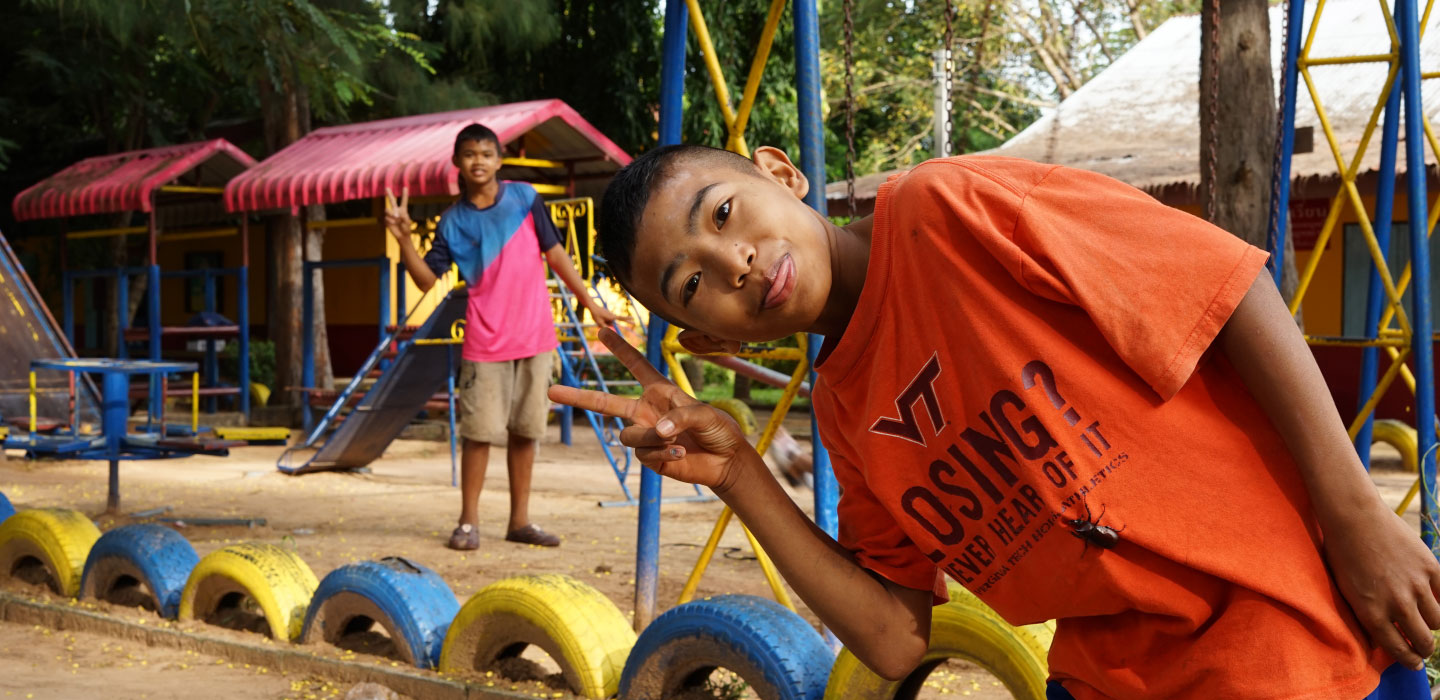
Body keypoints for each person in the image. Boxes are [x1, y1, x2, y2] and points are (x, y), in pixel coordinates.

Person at [550, 144, 1440, 699]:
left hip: (1288, 646)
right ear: (704, 334)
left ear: (782, 174)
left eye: (724, 214)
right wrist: (739, 472)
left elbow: (1223, 283)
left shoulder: (949, 210)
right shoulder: (846, 414)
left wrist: (1356, 511)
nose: (732, 261)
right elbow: (895, 639)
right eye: (692, 283)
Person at [386, 123, 619, 551]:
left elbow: (556, 254)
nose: (479, 161)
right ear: (457, 161)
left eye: (487, 153)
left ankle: (520, 522)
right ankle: (468, 523)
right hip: (485, 343)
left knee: (526, 432)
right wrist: (403, 237)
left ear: (500, 159)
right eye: (470, 153)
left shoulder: (525, 198)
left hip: (535, 337)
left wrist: (587, 300)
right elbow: (424, 281)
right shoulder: (453, 222)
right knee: (479, 434)